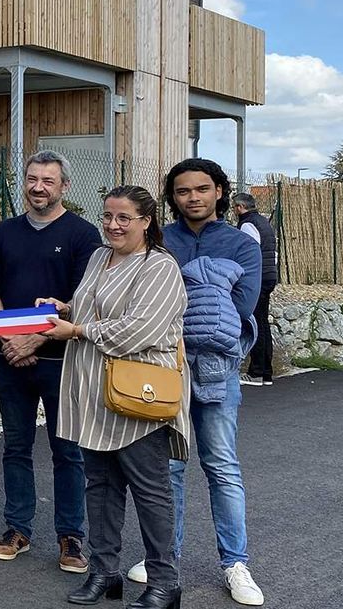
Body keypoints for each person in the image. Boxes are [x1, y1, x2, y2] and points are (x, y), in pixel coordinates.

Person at [40, 185, 191, 609]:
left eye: (124, 217)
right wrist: (66, 307)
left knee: (151, 492)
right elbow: (95, 305)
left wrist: (78, 331)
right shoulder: (98, 256)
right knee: (101, 486)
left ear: (146, 221)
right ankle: (104, 572)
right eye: (108, 215)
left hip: (137, 396)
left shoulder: (159, 267)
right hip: (95, 393)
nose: (113, 224)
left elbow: (138, 329)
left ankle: (165, 582)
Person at [126, 158, 264, 606]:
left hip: (217, 370)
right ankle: (166, 557)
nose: (193, 197)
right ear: (173, 197)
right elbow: (144, 300)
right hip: (165, 367)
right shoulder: (160, 239)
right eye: (183, 191)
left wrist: (186, 294)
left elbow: (241, 305)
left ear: (219, 191)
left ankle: (236, 563)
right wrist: (205, 292)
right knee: (170, 468)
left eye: (202, 189)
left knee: (222, 466)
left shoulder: (242, 244)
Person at [0, 151, 99, 573]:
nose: (38, 187)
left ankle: (71, 536)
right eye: (32, 178)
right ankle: (18, 529)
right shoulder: (6, 231)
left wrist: (33, 339)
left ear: (64, 185)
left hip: (60, 361)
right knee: (16, 447)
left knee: (68, 452)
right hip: (10, 357)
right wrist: (9, 335)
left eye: (48, 180)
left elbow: (84, 301)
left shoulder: (83, 235)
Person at [232, 192, 278, 385]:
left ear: (240, 207)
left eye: (234, 207)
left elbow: (248, 252)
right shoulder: (264, 222)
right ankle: (266, 372)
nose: (233, 211)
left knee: (255, 324)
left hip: (257, 278)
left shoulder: (247, 224)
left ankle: (256, 372)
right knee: (263, 323)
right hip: (269, 275)